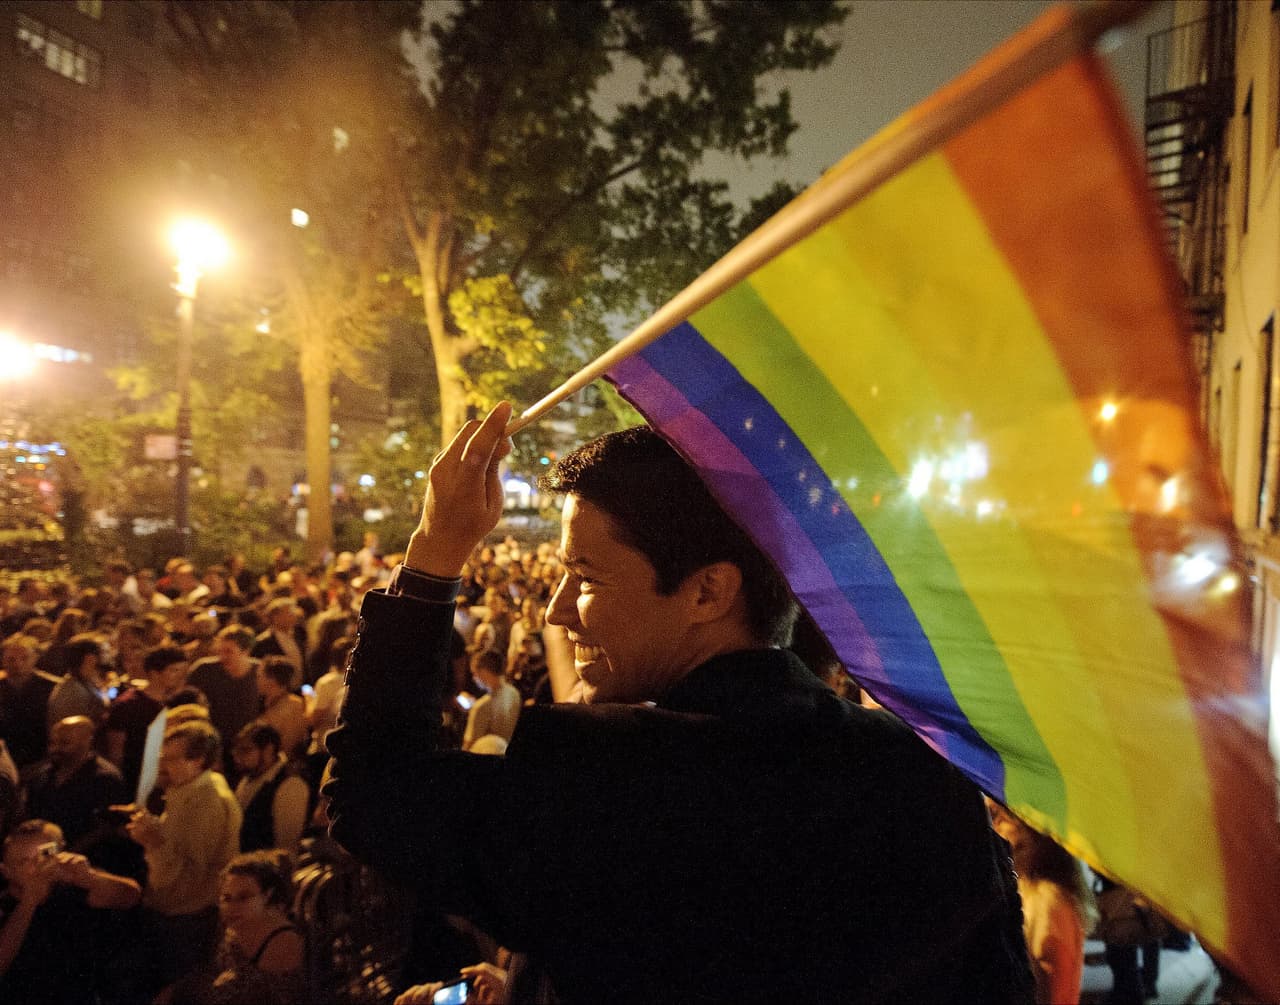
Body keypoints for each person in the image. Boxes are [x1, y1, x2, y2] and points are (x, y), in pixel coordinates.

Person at [326, 406, 1033, 1003]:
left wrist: (436, 548)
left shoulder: (603, 781)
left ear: (707, 591)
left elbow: (373, 789)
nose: (558, 609)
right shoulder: (925, 775)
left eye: (585, 574)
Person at [125, 720, 242, 989]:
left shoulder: (207, 800)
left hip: (187, 917)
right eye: (162, 757)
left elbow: (188, 872)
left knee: (178, 988)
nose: (163, 766)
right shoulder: (186, 789)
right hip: (173, 911)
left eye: (172, 759)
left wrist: (153, 841)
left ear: (198, 760)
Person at [0, 819, 142, 1003]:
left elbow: (132, 897)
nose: (38, 868)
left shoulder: (71, 887)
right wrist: (29, 901)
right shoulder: (5, 904)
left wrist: (91, 878)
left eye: (45, 855)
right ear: (6, 871)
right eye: (25, 861)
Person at [988, 800, 1094, 1005]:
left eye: (997, 816)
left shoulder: (1047, 903)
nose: (992, 828)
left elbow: (1051, 993)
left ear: (1032, 832)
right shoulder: (1027, 889)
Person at [168, 850, 305, 1005]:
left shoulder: (283, 943)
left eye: (243, 897)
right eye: (226, 898)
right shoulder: (236, 926)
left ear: (267, 895)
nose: (232, 907)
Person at [23, 715, 128, 848]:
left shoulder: (105, 780)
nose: (55, 749)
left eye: (64, 743)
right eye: (52, 742)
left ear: (87, 741)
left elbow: (107, 829)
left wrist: (69, 851)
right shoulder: (42, 775)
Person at [104, 645, 189, 794]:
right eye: (174, 670)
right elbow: (116, 753)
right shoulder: (127, 706)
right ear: (155, 674)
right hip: (134, 784)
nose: (181, 676)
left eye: (182, 671)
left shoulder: (178, 704)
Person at [231, 722, 311, 853]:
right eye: (236, 750)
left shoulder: (290, 785)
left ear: (268, 750)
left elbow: (286, 846)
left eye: (246, 750)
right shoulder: (249, 776)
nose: (237, 757)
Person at [462, 650, 521, 750]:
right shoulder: (514, 693)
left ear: (484, 671)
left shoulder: (482, 706)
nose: (474, 678)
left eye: (474, 673)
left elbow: (469, 747)